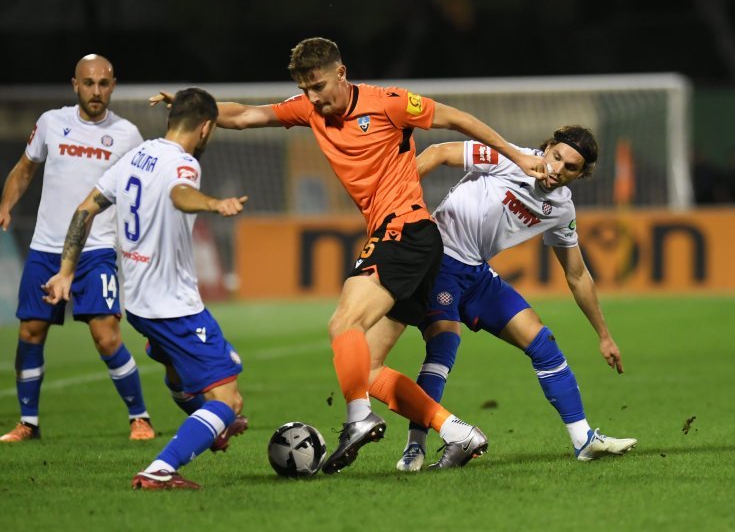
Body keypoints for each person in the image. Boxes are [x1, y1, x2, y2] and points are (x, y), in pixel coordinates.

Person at [152, 37, 548, 472]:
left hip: (406, 231)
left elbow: (457, 119)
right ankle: (458, 432)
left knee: (343, 323)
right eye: (305, 89)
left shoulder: (389, 103)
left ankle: (358, 419)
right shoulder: (309, 110)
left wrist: (514, 155)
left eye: (319, 86)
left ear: (341, 73)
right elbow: (248, 115)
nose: (313, 98)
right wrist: (200, 111)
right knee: (369, 367)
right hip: (402, 239)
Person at [394, 126, 638, 471]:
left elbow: (577, 274)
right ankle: (414, 447)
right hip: (438, 260)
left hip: (477, 275)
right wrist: (393, 198)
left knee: (543, 342)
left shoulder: (561, 209)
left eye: (571, 167)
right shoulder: (507, 157)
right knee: (443, 345)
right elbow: (439, 153)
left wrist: (604, 334)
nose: (557, 169)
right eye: (556, 157)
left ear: (581, 174)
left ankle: (583, 440)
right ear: (547, 147)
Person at [44, 87, 249, 490]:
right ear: (206, 128)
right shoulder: (184, 164)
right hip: (173, 306)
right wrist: (213, 204)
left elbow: (86, 208)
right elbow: (180, 194)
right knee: (228, 402)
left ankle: (207, 425)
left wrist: (66, 270)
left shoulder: (136, 156)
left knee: (178, 371)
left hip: (136, 302)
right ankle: (160, 468)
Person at [0, 54, 155, 442]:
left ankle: (140, 417)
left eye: (103, 83)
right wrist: (4, 207)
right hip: (45, 247)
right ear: (74, 85)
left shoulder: (128, 134)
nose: (95, 91)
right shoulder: (52, 123)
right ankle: (28, 422)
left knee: (107, 336)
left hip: (96, 250)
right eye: (88, 83)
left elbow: (142, 190)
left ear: (112, 85)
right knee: (31, 332)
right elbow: (24, 168)